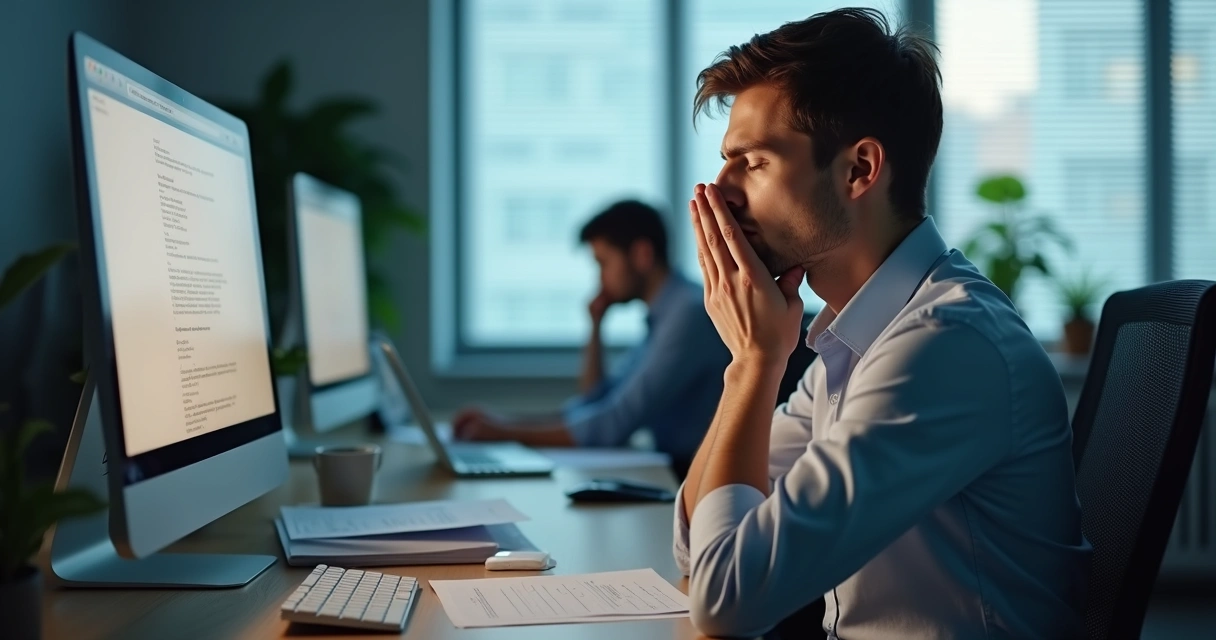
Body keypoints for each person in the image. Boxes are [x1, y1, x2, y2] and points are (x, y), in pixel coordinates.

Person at [674, 8, 1090, 639]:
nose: (721, 189)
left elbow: (725, 601)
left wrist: (759, 363)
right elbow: (694, 542)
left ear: (859, 170)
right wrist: (743, 370)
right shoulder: (861, 336)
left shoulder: (944, 346)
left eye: (753, 162)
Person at [452, 201, 730, 479]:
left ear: (642, 255)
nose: (600, 278)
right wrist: (596, 325)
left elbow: (613, 425)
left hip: (698, 475)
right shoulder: (666, 314)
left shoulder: (688, 315)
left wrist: (502, 433)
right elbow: (596, 399)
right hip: (682, 470)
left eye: (603, 263)